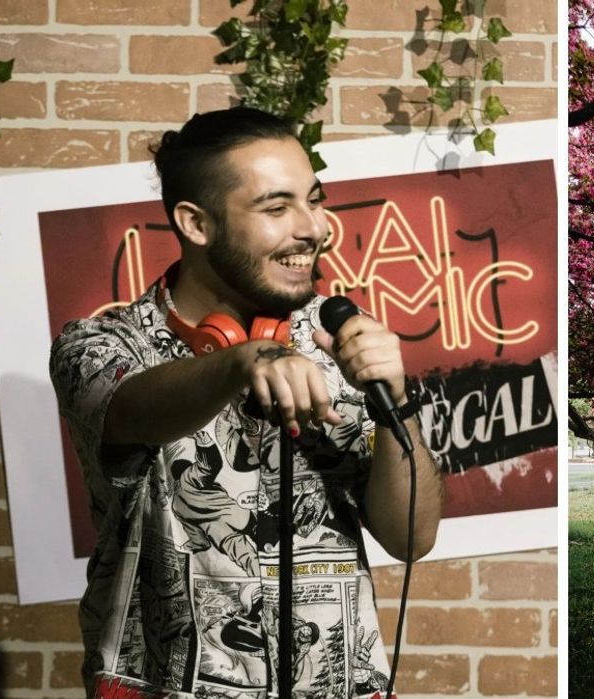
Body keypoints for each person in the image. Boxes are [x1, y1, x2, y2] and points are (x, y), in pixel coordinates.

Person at [49, 107, 443, 698]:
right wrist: (244, 359)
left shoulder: (337, 338)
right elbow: (135, 405)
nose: (312, 227)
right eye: (277, 208)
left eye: (314, 199)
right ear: (195, 224)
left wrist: (396, 397)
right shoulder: (98, 347)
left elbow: (411, 538)